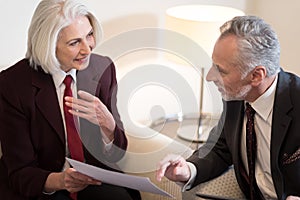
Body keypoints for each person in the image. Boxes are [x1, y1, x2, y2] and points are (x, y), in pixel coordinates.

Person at [0, 0, 141, 199]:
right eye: (75, 42)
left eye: (89, 35)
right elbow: (20, 171)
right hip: (43, 185)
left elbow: (116, 155)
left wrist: (108, 125)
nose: (87, 49)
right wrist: (60, 181)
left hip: (92, 182)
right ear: (48, 45)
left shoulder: (102, 69)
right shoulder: (13, 85)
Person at [156, 15, 300, 200]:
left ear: (256, 76)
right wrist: (188, 170)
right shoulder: (236, 96)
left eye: (220, 70)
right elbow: (221, 149)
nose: (209, 76)